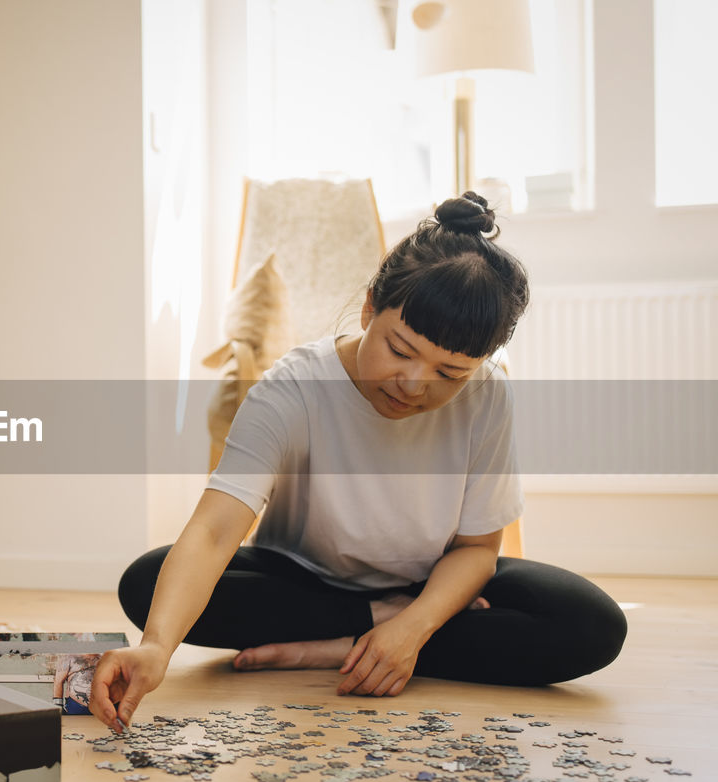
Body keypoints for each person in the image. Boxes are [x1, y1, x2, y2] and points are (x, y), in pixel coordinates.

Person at [91, 192, 627, 733]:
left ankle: (343, 648)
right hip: (305, 584)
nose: (414, 384)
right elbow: (213, 531)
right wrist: (157, 648)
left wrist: (415, 624)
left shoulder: (487, 397)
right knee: (146, 582)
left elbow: (477, 551)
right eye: (400, 350)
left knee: (592, 624)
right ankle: (377, 637)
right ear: (371, 306)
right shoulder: (293, 388)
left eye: (450, 373)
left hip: (429, 587)